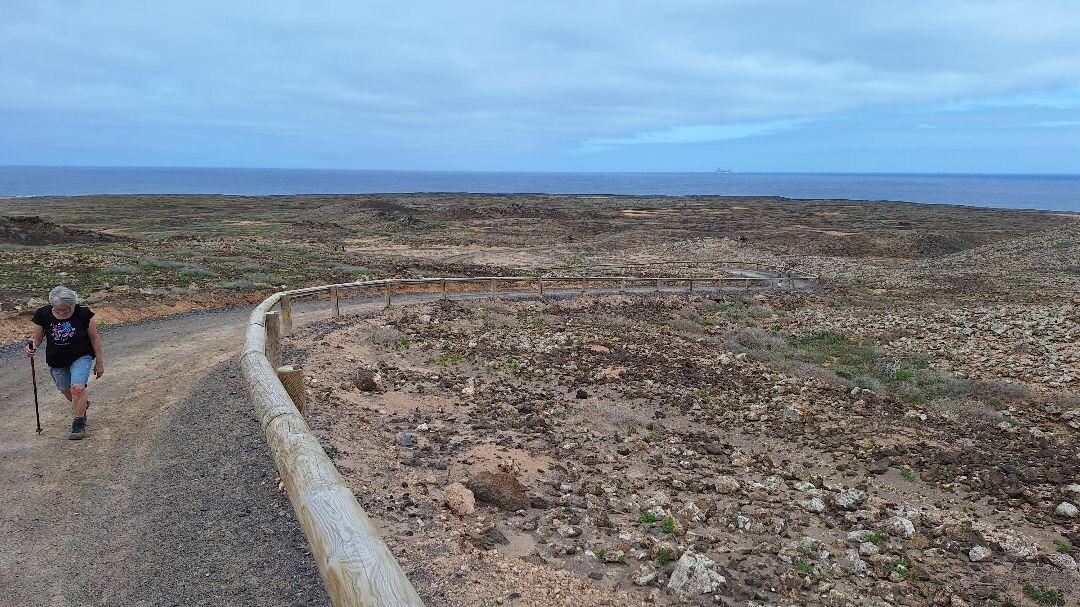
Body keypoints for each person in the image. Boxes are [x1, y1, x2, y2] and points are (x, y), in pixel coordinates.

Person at [23, 285, 105, 440]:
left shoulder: (83, 313)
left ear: (72, 305)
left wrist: (99, 362)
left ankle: (78, 422)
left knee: (77, 388)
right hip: (57, 359)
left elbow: (95, 338)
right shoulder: (43, 314)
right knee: (66, 389)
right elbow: (37, 337)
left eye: (65, 310)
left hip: (81, 355)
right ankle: (82, 404)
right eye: (57, 309)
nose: (61, 313)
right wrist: (31, 345)